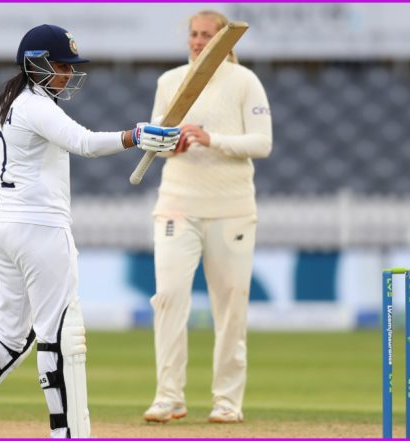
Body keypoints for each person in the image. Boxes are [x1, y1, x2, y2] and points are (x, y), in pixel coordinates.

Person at [0, 24, 180, 439]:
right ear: (36, 64)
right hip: (41, 230)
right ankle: (68, 432)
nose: (67, 74)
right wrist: (136, 135)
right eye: (61, 65)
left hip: (7, 228)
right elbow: (84, 143)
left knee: (9, 331)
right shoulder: (34, 105)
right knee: (58, 333)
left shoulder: (12, 104)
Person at [142, 10, 273, 424]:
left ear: (225, 42)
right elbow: (155, 141)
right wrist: (170, 146)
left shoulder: (244, 82)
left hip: (231, 209)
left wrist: (211, 138)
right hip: (177, 204)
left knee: (231, 305)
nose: (198, 42)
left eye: (207, 36)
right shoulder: (170, 82)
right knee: (168, 298)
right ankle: (168, 397)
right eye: (194, 35)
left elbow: (262, 143)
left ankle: (227, 401)